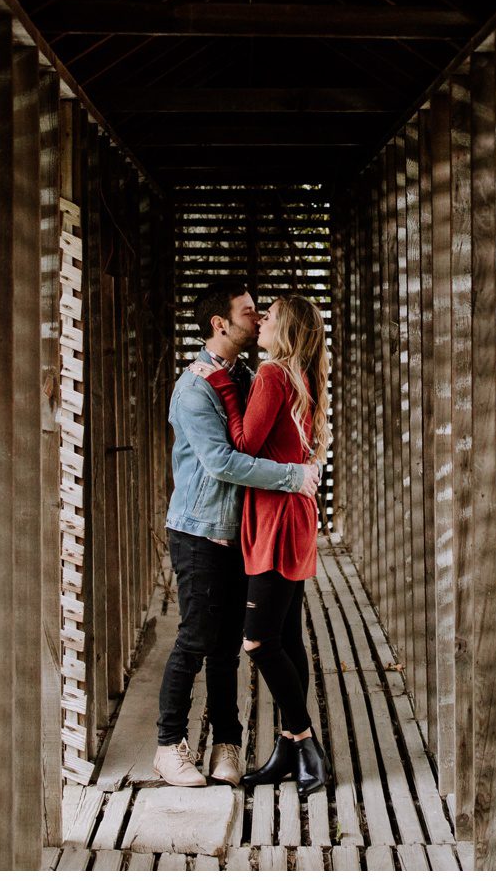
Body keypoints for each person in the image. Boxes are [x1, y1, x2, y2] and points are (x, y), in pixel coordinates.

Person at [154, 277, 321, 789]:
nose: (257, 318)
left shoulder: (248, 374)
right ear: (219, 323)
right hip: (201, 531)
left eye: (260, 312)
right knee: (196, 638)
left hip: (242, 531)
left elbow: (271, 432)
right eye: (249, 312)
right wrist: (296, 477)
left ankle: (227, 742)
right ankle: (169, 745)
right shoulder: (194, 386)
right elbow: (225, 460)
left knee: (230, 645)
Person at [190, 293, 334, 799]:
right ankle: (287, 751)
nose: (261, 320)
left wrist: (225, 391)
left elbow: (244, 445)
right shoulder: (301, 375)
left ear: (286, 328)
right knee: (288, 638)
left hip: (274, 519)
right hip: (293, 516)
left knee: (258, 640)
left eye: (269, 315)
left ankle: (305, 741)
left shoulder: (273, 375)